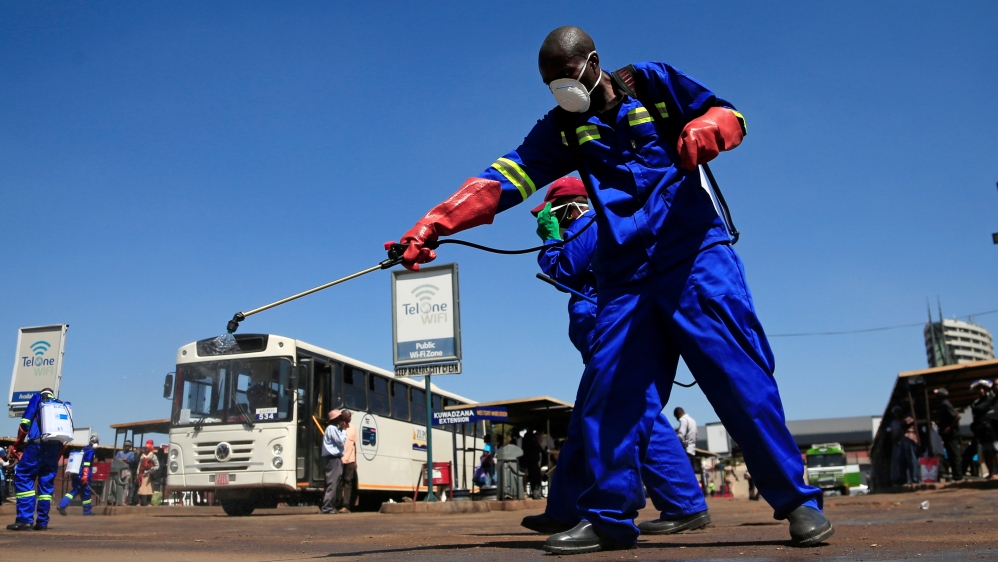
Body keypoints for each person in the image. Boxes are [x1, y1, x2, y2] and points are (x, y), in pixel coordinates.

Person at [395, 26, 829, 552]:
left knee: (741, 383)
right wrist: (433, 226)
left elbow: (728, 114)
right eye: (550, 84)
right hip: (624, 277)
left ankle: (799, 503)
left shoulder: (650, 83)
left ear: (593, 61)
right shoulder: (560, 129)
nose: (561, 90)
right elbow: (501, 179)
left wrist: (709, 129)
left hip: (693, 256)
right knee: (610, 393)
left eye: (566, 76)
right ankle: (607, 518)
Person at [522, 177, 710, 537]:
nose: (548, 221)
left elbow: (563, 272)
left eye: (551, 214)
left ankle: (685, 503)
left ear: (568, 206)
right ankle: (563, 509)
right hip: (600, 327)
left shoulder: (586, 223)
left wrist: (550, 237)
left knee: (634, 412)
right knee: (583, 424)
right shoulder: (587, 225)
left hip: (605, 327)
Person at [7, 388, 64, 531]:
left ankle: (25, 520)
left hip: (37, 446)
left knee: (24, 477)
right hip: (53, 448)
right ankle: (42, 522)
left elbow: (25, 424)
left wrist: (17, 445)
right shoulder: (60, 405)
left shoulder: (37, 398)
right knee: (46, 484)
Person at [57, 434, 98, 516]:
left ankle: (62, 505)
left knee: (75, 491)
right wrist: (85, 475)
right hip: (83, 474)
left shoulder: (83, 449)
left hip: (76, 473)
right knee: (86, 492)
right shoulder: (90, 451)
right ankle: (87, 511)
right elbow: (87, 464)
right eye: (96, 442)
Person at [969, 380, 998, 479]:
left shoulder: (991, 400)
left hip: (991, 430)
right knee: (986, 452)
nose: (981, 391)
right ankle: (991, 473)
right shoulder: (976, 403)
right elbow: (975, 414)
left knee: (995, 451)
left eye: (983, 388)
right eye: (979, 389)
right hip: (981, 430)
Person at [321, 409, 347, 514]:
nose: (342, 420)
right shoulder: (332, 428)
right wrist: (344, 431)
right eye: (340, 418)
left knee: (333, 482)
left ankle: (329, 506)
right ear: (336, 419)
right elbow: (340, 442)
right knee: (332, 483)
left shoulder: (332, 428)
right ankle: (327, 507)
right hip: (333, 458)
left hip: (333, 458)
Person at [934, 388, 963, 481]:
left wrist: (949, 427)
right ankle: (956, 475)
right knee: (951, 454)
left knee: (954, 454)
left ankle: (958, 476)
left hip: (952, 434)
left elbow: (957, 416)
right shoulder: (941, 405)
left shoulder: (946, 404)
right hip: (946, 434)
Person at [890, 405, 920, 485]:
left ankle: (915, 478)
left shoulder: (910, 416)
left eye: (898, 411)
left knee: (912, 459)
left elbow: (905, 424)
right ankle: (903, 479)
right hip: (902, 441)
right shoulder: (894, 422)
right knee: (902, 461)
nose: (897, 414)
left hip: (909, 438)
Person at [336, 410, 358, 513]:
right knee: (339, 482)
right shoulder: (337, 427)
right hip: (340, 458)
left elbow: (354, 445)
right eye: (348, 416)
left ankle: (346, 506)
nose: (350, 417)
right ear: (343, 417)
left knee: (348, 482)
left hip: (350, 459)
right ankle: (337, 504)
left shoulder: (353, 428)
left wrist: (355, 461)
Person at [111, 440, 135, 506]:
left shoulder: (131, 453)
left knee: (125, 486)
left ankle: (122, 501)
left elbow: (131, 460)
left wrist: (122, 459)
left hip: (126, 470)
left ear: (130, 447)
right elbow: (116, 459)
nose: (126, 447)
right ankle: (116, 500)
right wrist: (124, 459)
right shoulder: (120, 452)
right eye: (125, 445)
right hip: (118, 471)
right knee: (116, 485)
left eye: (128, 446)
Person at [136, 440, 160, 506]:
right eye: (145, 448)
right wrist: (138, 473)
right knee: (141, 489)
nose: (146, 449)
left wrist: (151, 470)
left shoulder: (153, 456)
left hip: (149, 474)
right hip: (142, 474)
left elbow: (157, 465)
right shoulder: (142, 456)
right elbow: (139, 465)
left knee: (149, 490)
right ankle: (139, 503)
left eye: (147, 448)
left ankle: (149, 503)